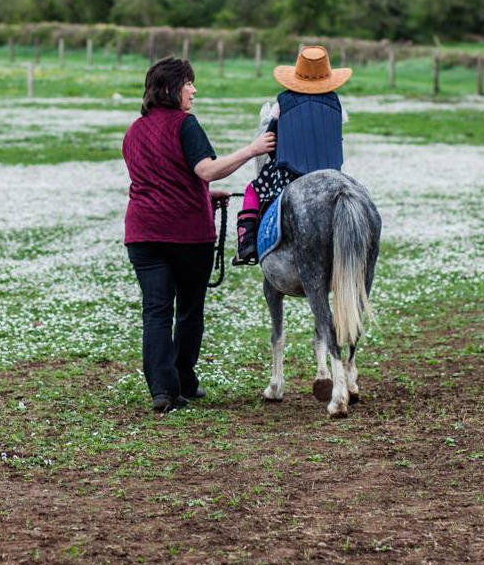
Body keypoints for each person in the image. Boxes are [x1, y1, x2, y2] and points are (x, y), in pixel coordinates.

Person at [122, 57, 275, 412]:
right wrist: (252, 149)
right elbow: (206, 169)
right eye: (189, 83)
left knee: (156, 311)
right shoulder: (185, 125)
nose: (194, 90)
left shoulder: (133, 130)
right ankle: (184, 381)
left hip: (143, 234)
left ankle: (163, 390)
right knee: (189, 310)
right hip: (186, 236)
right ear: (171, 88)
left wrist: (202, 196)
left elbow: (159, 180)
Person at [233, 45, 352, 265]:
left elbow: (269, 141)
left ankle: (246, 244)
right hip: (329, 173)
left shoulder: (283, 102)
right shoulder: (335, 102)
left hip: (290, 175)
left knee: (253, 190)